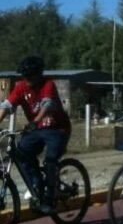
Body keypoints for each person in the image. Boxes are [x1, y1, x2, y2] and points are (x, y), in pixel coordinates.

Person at [0, 56, 71, 214]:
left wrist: (35, 121)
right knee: (21, 153)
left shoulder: (48, 84)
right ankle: (37, 187)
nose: (26, 79)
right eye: (24, 76)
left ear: (39, 73)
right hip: (37, 130)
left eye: (29, 75)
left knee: (50, 160)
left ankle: (50, 198)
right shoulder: (20, 87)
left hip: (57, 129)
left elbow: (47, 105)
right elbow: (7, 105)